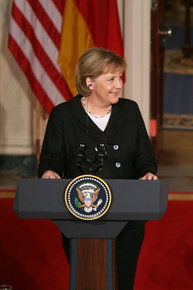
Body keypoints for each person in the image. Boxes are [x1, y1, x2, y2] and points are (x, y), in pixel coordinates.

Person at [37, 47, 158, 289]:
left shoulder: (130, 111)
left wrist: (147, 172)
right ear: (89, 82)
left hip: (126, 216)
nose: (119, 85)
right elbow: (51, 159)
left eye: (120, 77)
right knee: (88, 280)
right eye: (111, 79)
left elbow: (145, 156)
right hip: (79, 216)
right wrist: (49, 172)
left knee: (122, 282)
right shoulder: (63, 115)